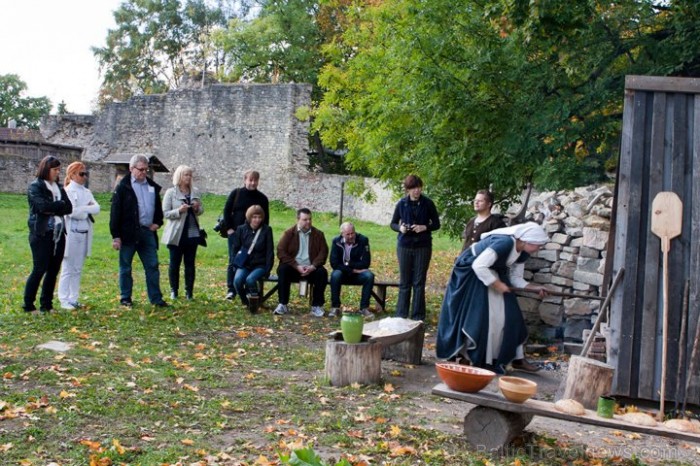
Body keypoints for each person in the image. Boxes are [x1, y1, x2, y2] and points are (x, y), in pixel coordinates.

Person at [436, 222, 549, 374]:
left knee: (512, 314)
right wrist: (496, 284)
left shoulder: (523, 251)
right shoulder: (504, 243)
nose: (538, 249)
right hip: (471, 273)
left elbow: (515, 277)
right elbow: (479, 265)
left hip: (493, 272)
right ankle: (470, 355)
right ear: (526, 240)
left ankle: (516, 358)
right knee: (480, 315)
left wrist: (533, 288)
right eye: (538, 245)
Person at [110, 154, 169, 308]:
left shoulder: (151, 186)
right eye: (141, 169)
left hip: (147, 232)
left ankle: (156, 298)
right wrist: (116, 236)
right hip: (128, 233)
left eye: (146, 169)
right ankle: (125, 298)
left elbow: (157, 208)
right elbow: (115, 213)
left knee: (152, 265)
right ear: (131, 169)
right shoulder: (123, 188)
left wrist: (157, 222)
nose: (144, 172)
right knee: (126, 267)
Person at [23, 156, 73, 313]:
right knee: (39, 268)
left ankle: (47, 304)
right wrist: (58, 205)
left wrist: (55, 206)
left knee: (53, 269)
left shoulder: (59, 188)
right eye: (54, 169)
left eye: (59, 169)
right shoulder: (35, 187)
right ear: (46, 169)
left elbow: (69, 208)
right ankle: (29, 305)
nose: (57, 173)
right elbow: (42, 206)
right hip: (41, 233)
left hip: (58, 233)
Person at [390, 175, 440, 321]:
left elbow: (436, 224)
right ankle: (401, 315)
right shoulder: (401, 204)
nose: (417, 191)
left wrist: (424, 227)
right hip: (404, 245)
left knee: (419, 282)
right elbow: (393, 223)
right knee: (405, 281)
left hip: (423, 246)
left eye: (419, 187)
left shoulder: (428, 203)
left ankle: (418, 316)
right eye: (413, 188)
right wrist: (401, 228)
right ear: (408, 189)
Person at [57, 162, 100, 310]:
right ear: (72, 175)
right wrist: (84, 210)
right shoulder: (67, 191)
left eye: (85, 174)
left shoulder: (87, 192)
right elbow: (71, 211)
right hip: (72, 232)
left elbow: (97, 208)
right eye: (81, 174)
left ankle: (73, 297)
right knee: (68, 267)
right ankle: (63, 299)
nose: (84, 177)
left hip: (84, 232)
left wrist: (82, 209)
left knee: (77, 268)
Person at [223, 170, 270, 300]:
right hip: (236, 234)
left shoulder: (262, 198)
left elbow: (266, 219)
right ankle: (232, 289)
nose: (253, 183)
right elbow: (227, 211)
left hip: (255, 235)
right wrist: (229, 229)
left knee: (253, 260)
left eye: (255, 180)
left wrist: (263, 235)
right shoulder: (236, 193)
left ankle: (250, 287)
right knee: (234, 260)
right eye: (250, 180)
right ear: (245, 180)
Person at [274, 208, 328, 317]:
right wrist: (296, 265)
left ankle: (316, 306)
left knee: (322, 272)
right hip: (294, 268)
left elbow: (323, 252)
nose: (308, 222)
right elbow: (281, 251)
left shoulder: (318, 234)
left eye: (310, 219)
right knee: (282, 269)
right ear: (298, 220)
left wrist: (313, 266)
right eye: (305, 219)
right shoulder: (289, 234)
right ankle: (283, 304)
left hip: (311, 269)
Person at [161, 165, 203, 300]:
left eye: (190, 175)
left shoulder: (194, 192)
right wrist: (179, 210)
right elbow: (165, 213)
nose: (188, 177)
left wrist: (197, 208)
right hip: (176, 234)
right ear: (179, 176)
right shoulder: (171, 193)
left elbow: (201, 210)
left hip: (192, 233)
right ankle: (174, 290)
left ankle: (189, 291)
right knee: (175, 263)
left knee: (190, 263)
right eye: (186, 175)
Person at [231, 205, 274, 313]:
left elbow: (270, 251)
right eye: (254, 217)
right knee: (237, 281)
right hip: (245, 264)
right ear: (249, 217)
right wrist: (235, 264)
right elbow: (235, 248)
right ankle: (246, 301)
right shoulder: (241, 229)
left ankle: (255, 303)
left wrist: (268, 269)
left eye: (259, 217)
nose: (257, 220)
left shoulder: (267, 230)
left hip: (260, 264)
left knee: (250, 280)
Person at [329, 222, 375, 319]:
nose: (351, 236)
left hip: (358, 273)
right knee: (335, 275)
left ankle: (364, 308)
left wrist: (348, 264)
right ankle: (335, 307)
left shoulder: (363, 240)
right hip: (344, 273)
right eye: (348, 234)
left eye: (352, 233)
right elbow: (334, 263)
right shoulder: (336, 241)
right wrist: (352, 270)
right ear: (342, 234)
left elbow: (366, 263)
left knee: (369, 276)